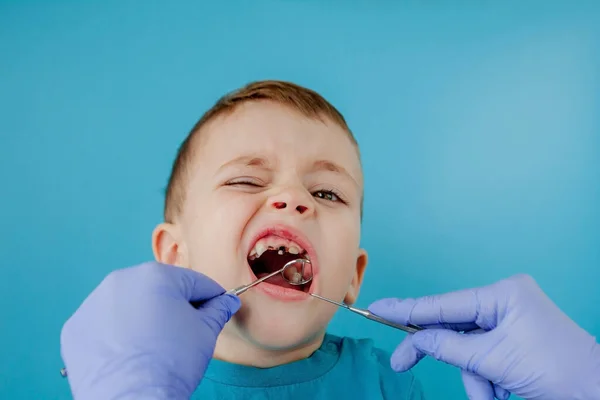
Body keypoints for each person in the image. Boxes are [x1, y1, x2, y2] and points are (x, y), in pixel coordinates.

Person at [60, 81, 600, 400]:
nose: (295, 199)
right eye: (247, 180)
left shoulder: (388, 384)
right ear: (174, 260)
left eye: (327, 192)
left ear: (351, 279)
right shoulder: (128, 382)